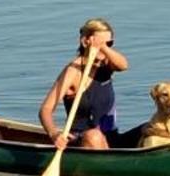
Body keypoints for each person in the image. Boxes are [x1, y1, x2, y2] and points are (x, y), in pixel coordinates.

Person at [39, 18, 130, 151]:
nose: (105, 50)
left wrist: (102, 47)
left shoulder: (106, 65)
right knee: (94, 136)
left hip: (111, 136)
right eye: (100, 43)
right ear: (85, 41)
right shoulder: (73, 71)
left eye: (109, 43)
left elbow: (124, 65)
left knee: (151, 128)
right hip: (82, 138)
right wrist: (54, 134)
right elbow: (45, 110)